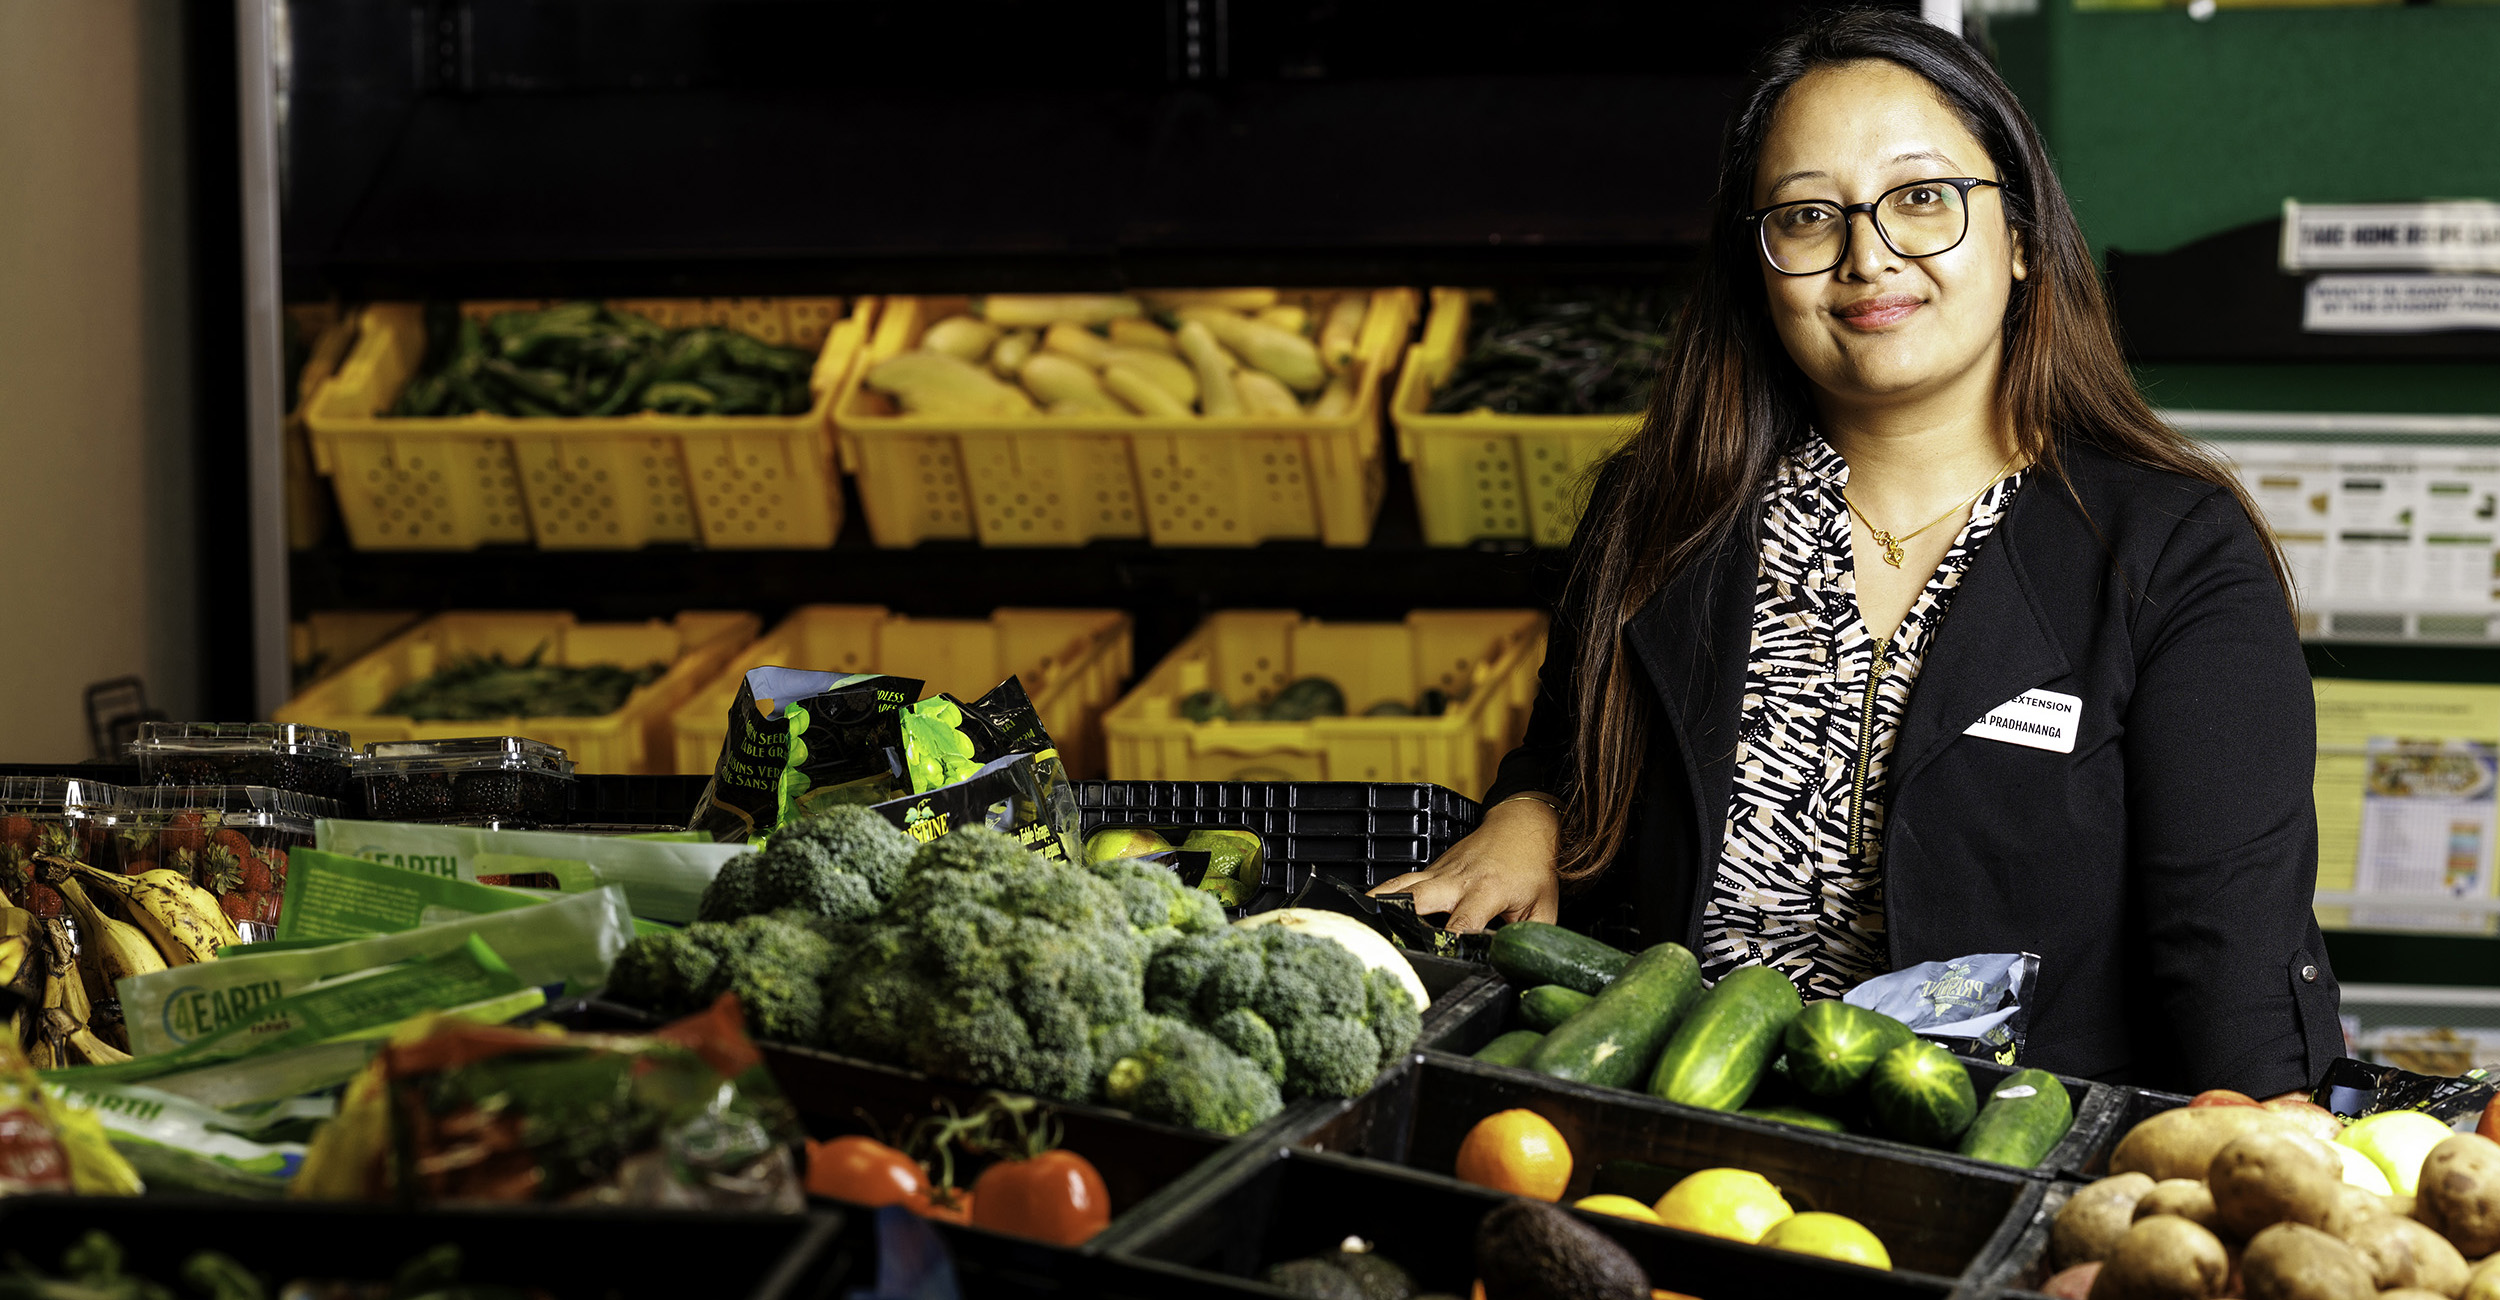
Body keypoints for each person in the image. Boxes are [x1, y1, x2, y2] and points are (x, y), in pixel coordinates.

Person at [1371, 9, 2339, 1096]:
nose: (1867, 255)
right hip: (1680, 1155)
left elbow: (2231, 944)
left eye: (1923, 198)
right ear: (1758, 264)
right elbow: (1570, 749)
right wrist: (1526, 811)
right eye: (1807, 215)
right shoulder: (1662, 511)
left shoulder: (2171, 553)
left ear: (2019, 236)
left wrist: (2261, 1154)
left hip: (2015, 1188)